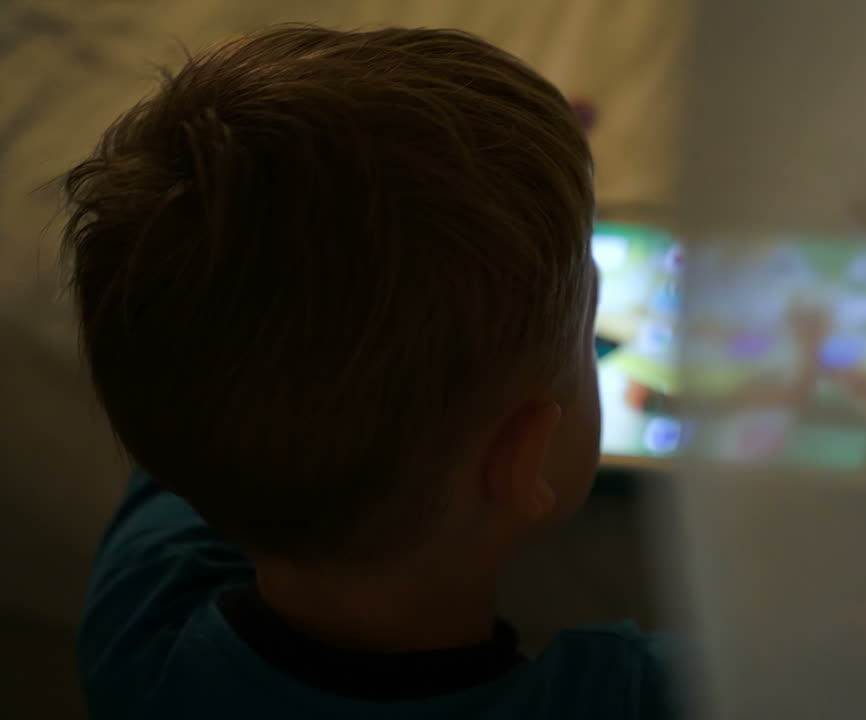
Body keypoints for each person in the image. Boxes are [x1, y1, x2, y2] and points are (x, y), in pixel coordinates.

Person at [62, 24, 675, 719]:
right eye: (588, 334)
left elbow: (196, 361)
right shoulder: (643, 699)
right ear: (522, 459)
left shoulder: (137, 634)